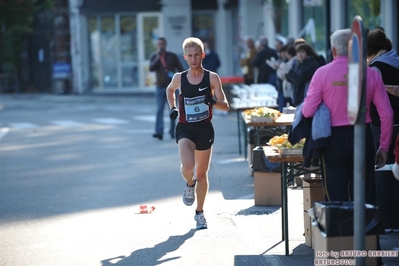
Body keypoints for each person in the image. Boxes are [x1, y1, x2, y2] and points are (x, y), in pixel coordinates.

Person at [301, 28, 393, 205]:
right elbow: (387, 114)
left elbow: (307, 111)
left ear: (334, 50)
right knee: (366, 194)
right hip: (363, 135)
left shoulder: (322, 73)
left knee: (336, 194)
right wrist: (384, 146)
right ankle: (368, 231)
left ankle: (341, 232)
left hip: (333, 139)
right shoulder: (371, 73)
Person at [165, 37, 229, 229]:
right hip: (185, 127)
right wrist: (173, 107)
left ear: (202, 55)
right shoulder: (179, 78)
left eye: (196, 55)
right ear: (185, 57)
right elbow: (169, 91)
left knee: (202, 174)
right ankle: (189, 184)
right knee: (188, 165)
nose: (193, 59)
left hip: (204, 129)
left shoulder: (212, 78)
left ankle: (199, 213)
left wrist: (212, 101)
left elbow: (226, 106)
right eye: (189, 56)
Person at [367, 28, 399, 233]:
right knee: (396, 172)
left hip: (383, 127)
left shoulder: (376, 68)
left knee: (382, 171)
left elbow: (380, 107)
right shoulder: (396, 60)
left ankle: (386, 220)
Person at [149, 37, 184, 140]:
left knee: (172, 110)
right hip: (160, 88)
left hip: (171, 88)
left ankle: (172, 131)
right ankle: (159, 132)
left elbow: (180, 69)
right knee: (159, 110)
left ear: (165, 44)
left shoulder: (172, 56)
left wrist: (179, 81)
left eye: (162, 44)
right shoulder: (154, 56)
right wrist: (157, 58)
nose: (160, 46)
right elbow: (151, 68)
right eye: (159, 44)